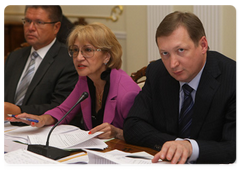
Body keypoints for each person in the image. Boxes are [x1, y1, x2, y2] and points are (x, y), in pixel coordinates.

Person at [123, 11, 237, 165]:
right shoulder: (158, 72)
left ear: (203, 45)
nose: (172, 64)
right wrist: (177, 144)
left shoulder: (233, 78)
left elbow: (234, 147)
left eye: (180, 50)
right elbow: (133, 126)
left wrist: (191, 148)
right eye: (165, 53)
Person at [8, 22, 141, 140]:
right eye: (75, 50)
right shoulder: (85, 80)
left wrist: (117, 132)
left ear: (106, 56)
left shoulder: (126, 93)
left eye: (87, 50)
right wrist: (42, 119)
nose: (78, 57)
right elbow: (63, 111)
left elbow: (142, 135)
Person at [2, 3, 78, 123]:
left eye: (39, 22)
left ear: (56, 27)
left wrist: (19, 111)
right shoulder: (14, 56)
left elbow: (61, 107)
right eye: (27, 21)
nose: (30, 27)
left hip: (39, 131)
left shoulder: (69, 60)